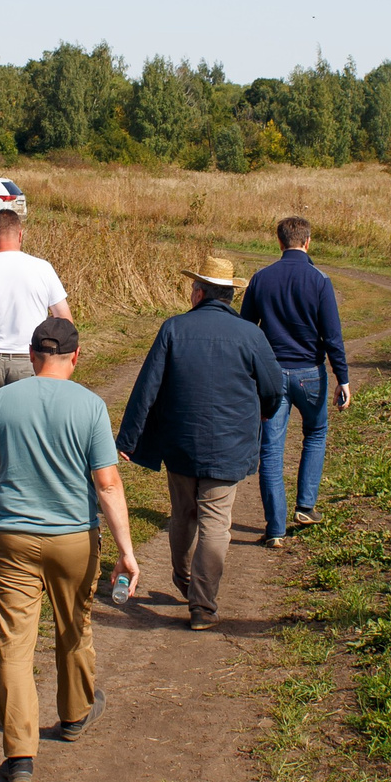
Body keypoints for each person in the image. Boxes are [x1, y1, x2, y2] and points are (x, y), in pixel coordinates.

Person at [0, 317, 141, 782]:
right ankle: (75, 715)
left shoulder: (2, 400)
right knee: (74, 624)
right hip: (74, 538)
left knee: (14, 643)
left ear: (31, 356)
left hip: (12, 538)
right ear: (75, 357)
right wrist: (126, 549)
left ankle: (19, 754)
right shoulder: (91, 406)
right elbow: (107, 482)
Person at [113, 253, 284, 631]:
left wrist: (128, 437)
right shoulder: (251, 335)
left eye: (193, 287)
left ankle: (184, 578)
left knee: (183, 513)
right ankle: (202, 605)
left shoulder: (173, 329)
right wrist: (264, 411)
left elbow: (147, 388)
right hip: (230, 445)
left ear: (200, 292)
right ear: (229, 296)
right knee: (216, 523)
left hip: (180, 443)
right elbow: (274, 388)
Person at [241, 215, 351, 547]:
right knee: (315, 434)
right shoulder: (319, 279)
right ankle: (306, 506)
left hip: (272, 376)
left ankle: (274, 529)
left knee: (271, 449)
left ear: (279, 242)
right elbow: (332, 335)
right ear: (308, 242)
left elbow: (247, 330)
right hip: (310, 374)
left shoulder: (261, 279)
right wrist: (342, 378)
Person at [0, 208, 74, 517]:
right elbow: (64, 320)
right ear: (20, 235)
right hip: (31, 361)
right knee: (33, 433)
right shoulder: (42, 268)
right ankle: (30, 508)